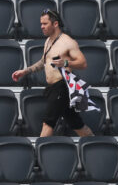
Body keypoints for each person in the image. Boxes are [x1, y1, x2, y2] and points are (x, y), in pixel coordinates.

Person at [11, 9, 95, 137]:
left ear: (55, 24)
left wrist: (66, 63)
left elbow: (83, 63)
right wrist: (26, 71)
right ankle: (93, 144)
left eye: (45, 24)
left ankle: (38, 155)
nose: (42, 27)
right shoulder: (49, 41)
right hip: (53, 87)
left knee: (48, 123)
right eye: (41, 24)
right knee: (76, 124)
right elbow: (44, 61)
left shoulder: (67, 42)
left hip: (62, 87)